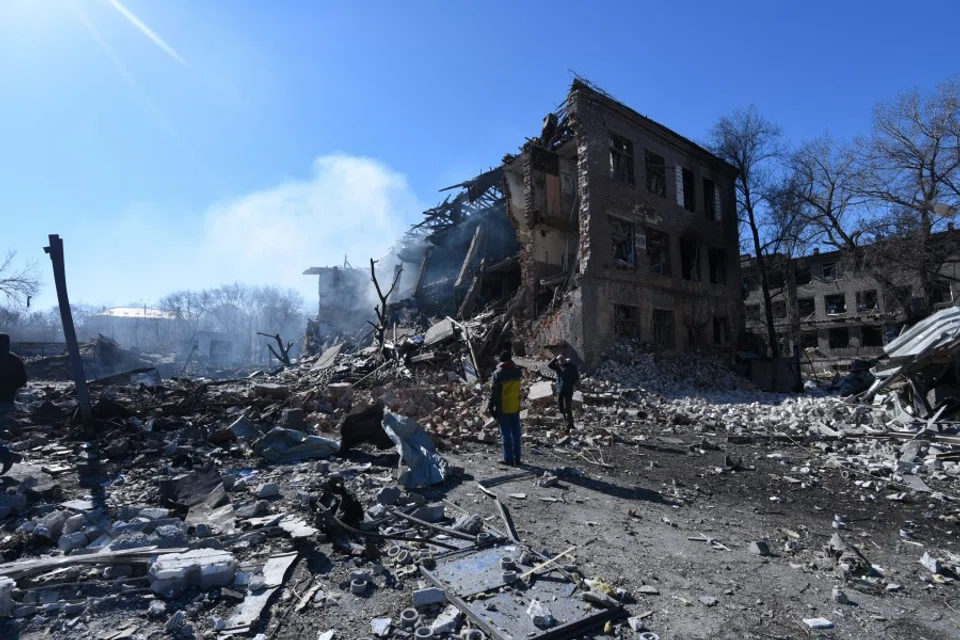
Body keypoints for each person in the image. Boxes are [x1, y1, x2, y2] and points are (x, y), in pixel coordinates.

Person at [488, 349, 523, 466]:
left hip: (503, 407)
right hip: (515, 406)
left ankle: (508, 459)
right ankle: (517, 458)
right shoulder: (518, 371)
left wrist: (490, 406)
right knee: (516, 433)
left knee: (506, 434)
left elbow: (494, 393)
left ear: (501, 360)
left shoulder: (497, 373)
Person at [0, 333, 26, 475]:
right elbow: (23, 380)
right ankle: (5, 455)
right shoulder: (15, 360)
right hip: (7, 401)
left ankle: (6, 455)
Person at [548, 354, 580, 429]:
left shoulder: (571, 366)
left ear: (565, 360)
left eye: (561, 361)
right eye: (559, 361)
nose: (560, 362)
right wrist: (556, 358)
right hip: (560, 390)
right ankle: (565, 422)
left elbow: (576, 377)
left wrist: (572, 383)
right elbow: (550, 365)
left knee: (567, 408)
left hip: (568, 390)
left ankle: (570, 424)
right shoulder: (558, 366)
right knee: (560, 408)